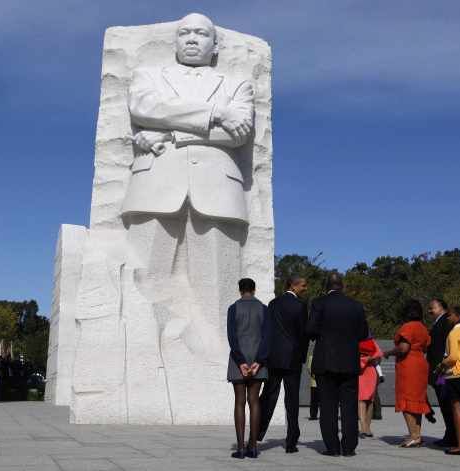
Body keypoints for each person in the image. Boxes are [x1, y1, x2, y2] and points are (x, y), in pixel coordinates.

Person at [125, 13, 255, 343]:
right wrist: (215, 113)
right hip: (154, 185)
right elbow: (143, 109)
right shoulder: (147, 76)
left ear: (215, 45)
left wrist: (169, 132)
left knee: (216, 288)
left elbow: (238, 135)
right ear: (175, 42)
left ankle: (214, 354)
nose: (193, 38)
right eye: (185, 33)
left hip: (217, 189)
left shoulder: (237, 84)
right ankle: (142, 351)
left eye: (201, 33)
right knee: (142, 280)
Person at [307, 272, 369, 457]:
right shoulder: (356, 306)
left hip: (325, 361)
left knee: (328, 406)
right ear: (342, 286)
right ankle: (349, 447)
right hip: (349, 361)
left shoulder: (319, 303)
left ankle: (332, 447)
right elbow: (364, 333)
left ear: (327, 287)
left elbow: (310, 330)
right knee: (349, 406)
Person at [259, 275, 310, 453]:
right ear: (293, 286)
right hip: (293, 359)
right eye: (303, 285)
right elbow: (304, 334)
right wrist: (302, 356)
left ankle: (257, 432)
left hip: (274, 358)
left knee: (268, 396)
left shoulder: (273, 304)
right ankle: (291, 442)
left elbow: (268, 330)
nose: (305, 288)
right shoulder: (301, 306)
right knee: (292, 400)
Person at [227, 278, 270, 459]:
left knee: (239, 402)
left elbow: (232, 336)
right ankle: (253, 447)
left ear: (240, 290)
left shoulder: (233, 308)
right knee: (254, 402)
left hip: (239, 362)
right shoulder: (264, 309)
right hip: (258, 360)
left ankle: (241, 448)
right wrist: (259, 361)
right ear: (254, 289)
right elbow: (268, 337)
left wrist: (241, 361)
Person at [384, 300, 431, 448]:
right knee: (417, 401)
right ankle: (417, 434)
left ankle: (413, 436)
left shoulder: (407, 327)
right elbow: (426, 347)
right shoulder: (423, 327)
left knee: (406, 399)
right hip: (420, 363)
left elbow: (403, 348)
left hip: (408, 364)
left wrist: (389, 352)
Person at [436, 306, 460, 456]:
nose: (447, 317)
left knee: (456, 408)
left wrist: (440, 366)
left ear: (457, 317)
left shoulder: (453, 332)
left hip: (455, 373)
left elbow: (452, 357)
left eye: (450, 315)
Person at [426, 299, 458, 447]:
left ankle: (453, 434)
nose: (430, 311)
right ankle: (450, 433)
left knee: (446, 400)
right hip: (439, 370)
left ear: (441, 307)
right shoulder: (439, 322)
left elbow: (444, 347)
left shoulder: (446, 321)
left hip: (442, 371)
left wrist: (441, 366)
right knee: (444, 400)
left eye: (432, 307)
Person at [358, 337, 383, 438]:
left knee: (370, 400)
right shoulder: (354, 339)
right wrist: (364, 359)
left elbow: (379, 354)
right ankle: (363, 426)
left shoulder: (371, 341)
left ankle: (368, 427)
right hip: (361, 371)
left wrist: (370, 359)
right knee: (362, 399)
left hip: (370, 371)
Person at [307, 342, 319, 420]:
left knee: (314, 401)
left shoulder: (311, 357)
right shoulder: (312, 357)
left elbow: (309, 369)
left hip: (314, 382)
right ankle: (314, 415)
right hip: (316, 382)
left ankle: (313, 415)